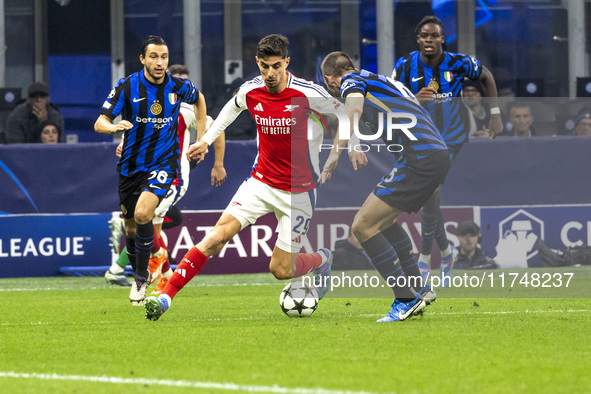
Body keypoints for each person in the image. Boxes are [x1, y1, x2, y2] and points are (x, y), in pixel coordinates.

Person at [144, 34, 350, 321]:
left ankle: (322, 259)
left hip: (299, 193)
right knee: (216, 237)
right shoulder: (252, 90)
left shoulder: (308, 93)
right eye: (264, 66)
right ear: (258, 62)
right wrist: (205, 140)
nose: (270, 73)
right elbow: (231, 109)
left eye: (276, 66)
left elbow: (347, 114)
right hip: (260, 183)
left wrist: (339, 151)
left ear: (287, 62)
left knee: (280, 270)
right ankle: (166, 297)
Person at [320, 51, 451, 322]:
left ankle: (405, 299)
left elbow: (353, 108)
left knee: (362, 227)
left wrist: (337, 153)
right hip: (432, 153)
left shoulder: (350, 81)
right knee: (382, 223)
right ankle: (418, 288)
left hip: (419, 157)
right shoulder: (382, 80)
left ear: (329, 79)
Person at [94, 35, 207, 306]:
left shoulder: (178, 86)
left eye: (164, 57)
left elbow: (200, 100)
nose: (159, 62)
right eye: (154, 57)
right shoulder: (126, 86)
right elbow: (100, 121)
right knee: (131, 227)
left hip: (163, 164)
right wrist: (114, 128)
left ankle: (141, 278)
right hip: (130, 166)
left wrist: (202, 139)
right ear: (142, 59)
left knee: (144, 214)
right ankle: (138, 270)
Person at [393, 15, 503, 285]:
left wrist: (495, 113)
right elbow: (391, 96)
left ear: (442, 39)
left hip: (450, 138)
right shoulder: (405, 65)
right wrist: (413, 98)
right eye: (424, 36)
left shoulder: (458, 62)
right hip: (419, 137)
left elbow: (486, 75)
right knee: (430, 196)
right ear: (418, 39)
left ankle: (424, 258)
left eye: (434, 36)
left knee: (430, 191)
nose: (429, 40)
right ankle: (445, 252)